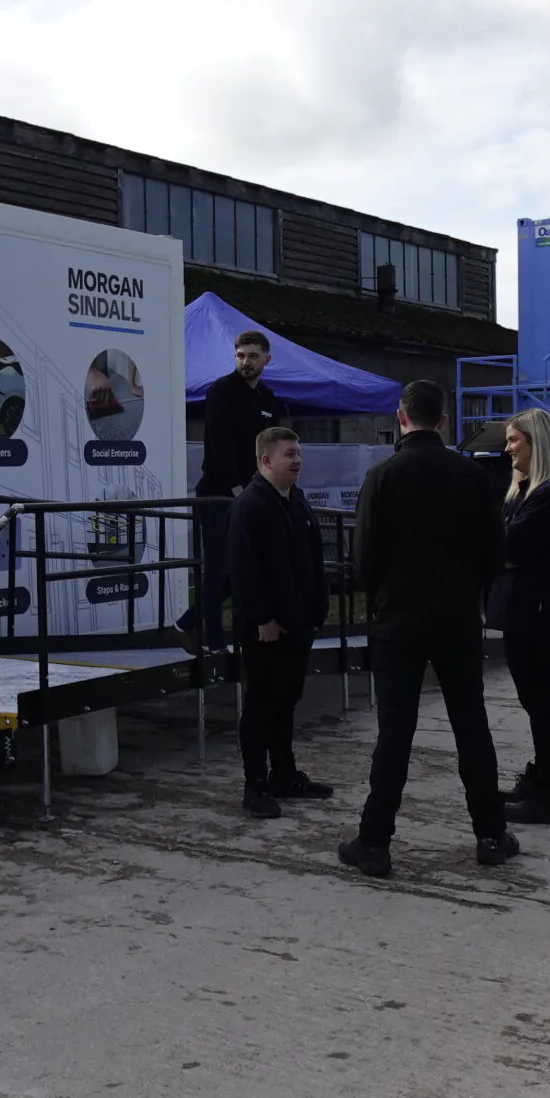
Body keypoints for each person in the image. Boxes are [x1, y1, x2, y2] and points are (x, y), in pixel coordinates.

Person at [338, 380, 512, 877]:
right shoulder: (473, 476)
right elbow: (493, 555)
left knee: (395, 732)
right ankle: (490, 834)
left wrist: (386, 601)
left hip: (398, 621)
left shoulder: (382, 475)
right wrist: (466, 592)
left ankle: (375, 841)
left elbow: (364, 557)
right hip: (457, 618)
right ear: (444, 421)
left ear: (400, 418)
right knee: (471, 726)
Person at [228, 427, 333, 817]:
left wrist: (316, 609)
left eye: (299, 453)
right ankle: (255, 785)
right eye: (289, 454)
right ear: (266, 460)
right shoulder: (250, 506)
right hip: (266, 631)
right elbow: (244, 572)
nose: (298, 460)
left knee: (286, 702)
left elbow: (312, 561)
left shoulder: (296, 501)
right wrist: (264, 619)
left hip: (298, 626)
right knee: (260, 705)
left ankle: (284, 775)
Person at [487, 409, 550, 826]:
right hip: (524, 611)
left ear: (535, 443)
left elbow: (505, 548)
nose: (507, 448)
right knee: (535, 703)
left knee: (542, 705)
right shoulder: (523, 492)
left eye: (514, 441)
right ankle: (540, 778)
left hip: (539, 615)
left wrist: (502, 556)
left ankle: (549, 795)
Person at [181, 330, 286, 651]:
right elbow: (219, 447)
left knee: (241, 571)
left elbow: (273, 447)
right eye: (240, 355)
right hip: (217, 493)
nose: (246, 362)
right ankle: (214, 643)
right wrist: (241, 490)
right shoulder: (221, 391)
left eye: (253, 356)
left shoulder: (268, 399)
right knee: (217, 568)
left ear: (267, 359)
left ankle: (183, 625)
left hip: (253, 494)